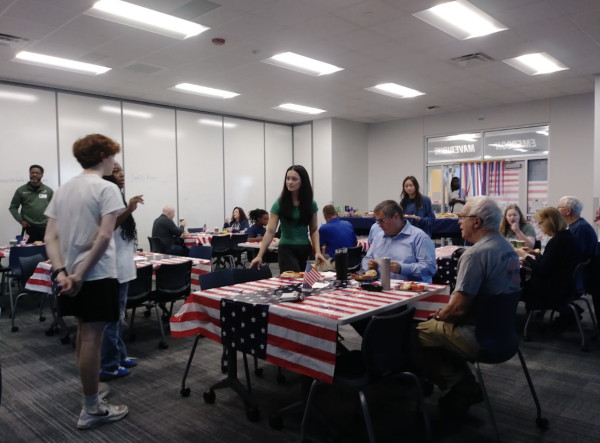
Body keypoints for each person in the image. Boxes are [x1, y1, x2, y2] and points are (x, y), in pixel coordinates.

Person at [44, 134, 128, 429]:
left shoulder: (63, 189)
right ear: (103, 155)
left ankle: (91, 390)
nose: (115, 162)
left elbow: (49, 237)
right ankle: (92, 408)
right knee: (93, 336)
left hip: (70, 275)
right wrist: (80, 273)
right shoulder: (106, 188)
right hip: (97, 273)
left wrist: (62, 272)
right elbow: (105, 236)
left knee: (83, 331)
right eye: (113, 156)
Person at [410, 196, 521, 419]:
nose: (458, 221)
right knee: (434, 332)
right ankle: (462, 383)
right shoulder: (507, 247)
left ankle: (462, 385)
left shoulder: (474, 254)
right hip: (505, 335)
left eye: (462, 217)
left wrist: (438, 315)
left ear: (477, 222)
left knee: (411, 334)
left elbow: (457, 311)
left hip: (478, 336)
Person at [100, 163, 143, 381]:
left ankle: (119, 356)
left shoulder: (116, 194)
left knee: (118, 316)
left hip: (123, 267)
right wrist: (129, 210)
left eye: (122, 169)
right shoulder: (107, 195)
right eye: (116, 170)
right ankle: (109, 365)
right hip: (114, 269)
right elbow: (109, 228)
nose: (122, 174)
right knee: (112, 318)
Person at [249, 165, 325, 272]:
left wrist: (317, 251)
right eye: (288, 178)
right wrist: (259, 255)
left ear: (302, 182)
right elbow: (270, 232)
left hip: (305, 249)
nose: (290, 182)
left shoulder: (311, 204)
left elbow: (313, 230)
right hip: (286, 249)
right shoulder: (279, 204)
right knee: (293, 282)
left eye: (294, 179)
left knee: (307, 283)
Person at [516, 207, 582, 322]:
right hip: (566, 285)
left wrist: (524, 255)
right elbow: (554, 261)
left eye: (540, 223)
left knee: (517, 286)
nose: (539, 227)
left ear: (549, 222)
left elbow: (541, 270)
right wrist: (535, 254)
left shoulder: (557, 241)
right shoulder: (567, 236)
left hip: (553, 289)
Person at [361, 200, 436, 282]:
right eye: (377, 221)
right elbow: (366, 259)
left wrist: (402, 268)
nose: (379, 225)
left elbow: (429, 268)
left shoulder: (419, 237)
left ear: (396, 217)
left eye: (382, 220)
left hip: (413, 291)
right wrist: (369, 267)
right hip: (382, 288)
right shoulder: (379, 237)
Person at [9, 164, 54, 243]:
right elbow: (13, 207)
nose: (34, 175)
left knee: (46, 251)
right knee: (27, 251)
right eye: (32, 173)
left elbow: (55, 208)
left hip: (46, 227)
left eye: (37, 173)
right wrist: (20, 220)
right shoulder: (21, 190)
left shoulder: (48, 191)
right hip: (29, 228)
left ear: (42, 175)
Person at [317, 205, 357, 271]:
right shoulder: (348, 224)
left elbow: (316, 246)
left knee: (315, 266)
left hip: (338, 264)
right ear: (336, 213)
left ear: (325, 216)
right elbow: (355, 242)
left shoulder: (324, 228)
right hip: (353, 263)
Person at [557, 196, 598, 261]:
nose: (557, 211)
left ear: (568, 211)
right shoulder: (579, 225)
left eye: (558, 207)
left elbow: (574, 254)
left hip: (581, 270)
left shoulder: (580, 228)